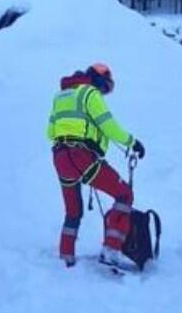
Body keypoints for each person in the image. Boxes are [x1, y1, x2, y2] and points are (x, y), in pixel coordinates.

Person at [47, 63, 146, 268]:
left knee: (73, 210)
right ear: (100, 79)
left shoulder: (61, 96)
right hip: (81, 156)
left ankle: (66, 256)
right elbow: (108, 125)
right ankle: (111, 250)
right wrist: (132, 142)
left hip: (60, 158)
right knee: (124, 194)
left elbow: (50, 132)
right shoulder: (89, 93)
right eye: (105, 88)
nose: (103, 93)